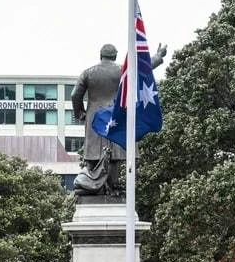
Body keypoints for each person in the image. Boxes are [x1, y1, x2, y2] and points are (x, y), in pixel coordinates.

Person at [71, 42, 166, 195]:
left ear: (101, 56)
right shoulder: (123, 71)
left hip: (95, 118)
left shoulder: (88, 73)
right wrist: (158, 56)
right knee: (114, 155)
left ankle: (95, 187)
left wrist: (80, 113)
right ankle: (111, 187)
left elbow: (75, 95)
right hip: (116, 115)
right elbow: (143, 69)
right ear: (114, 56)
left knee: (93, 155)